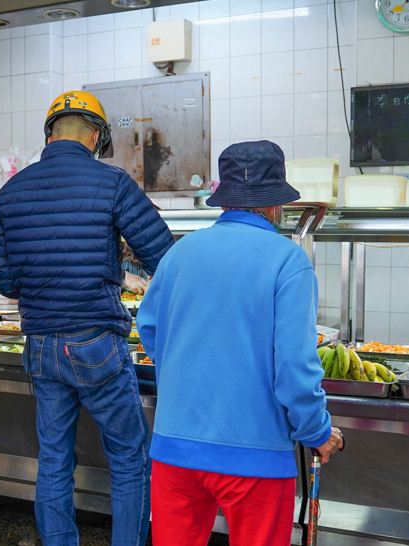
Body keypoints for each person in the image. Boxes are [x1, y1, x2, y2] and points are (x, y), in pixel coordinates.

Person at [137, 141, 345, 546]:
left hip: (174, 449)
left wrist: (190, 370)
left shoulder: (180, 253)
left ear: (225, 201)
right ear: (274, 206)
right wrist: (317, 432)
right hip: (256, 457)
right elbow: (295, 368)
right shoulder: (288, 260)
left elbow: (149, 327)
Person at [0, 90, 174, 546]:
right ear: (96, 136)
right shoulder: (111, 183)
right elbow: (166, 259)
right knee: (129, 458)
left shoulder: (10, 192)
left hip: (41, 347)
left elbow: (9, 283)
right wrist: (119, 255)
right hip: (95, 341)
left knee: (54, 461)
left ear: (50, 134)